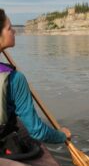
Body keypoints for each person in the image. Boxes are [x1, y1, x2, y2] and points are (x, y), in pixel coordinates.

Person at [0, 8, 71, 160]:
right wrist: (61, 135)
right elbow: (37, 131)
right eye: (9, 28)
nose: (14, 32)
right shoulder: (15, 79)